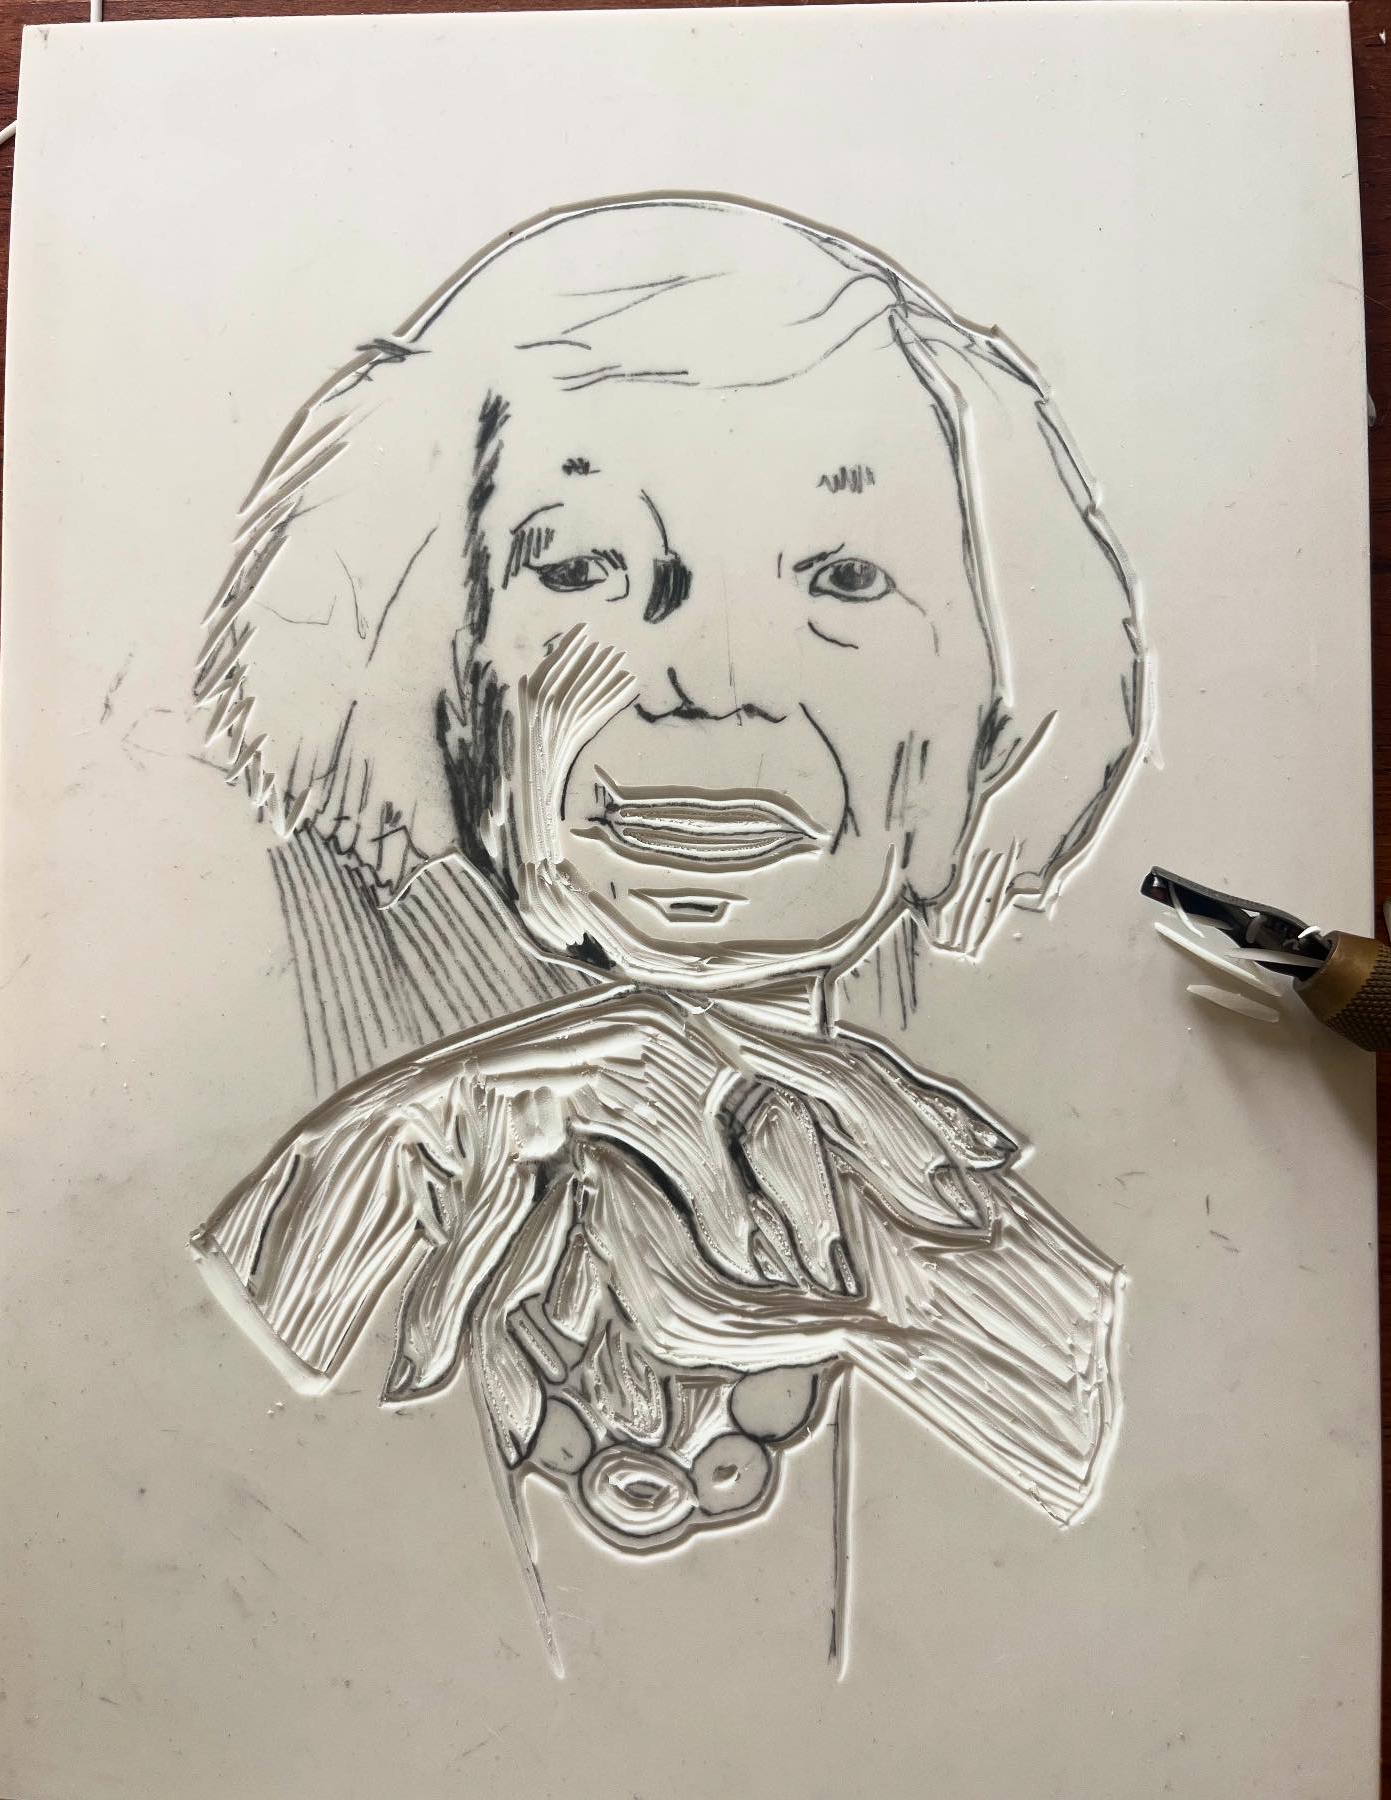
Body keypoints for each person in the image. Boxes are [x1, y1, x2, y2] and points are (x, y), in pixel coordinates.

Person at [191, 196, 1143, 1623]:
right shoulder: (349, 1212)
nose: (712, 679)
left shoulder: (1029, 1298)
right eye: (581, 569)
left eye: (845, 577)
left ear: (1001, 696)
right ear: (443, 668)